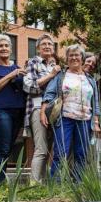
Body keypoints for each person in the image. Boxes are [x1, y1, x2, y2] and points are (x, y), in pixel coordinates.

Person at [41, 44, 101, 177]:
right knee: (61, 152)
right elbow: (49, 94)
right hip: (65, 118)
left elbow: (95, 101)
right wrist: (43, 111)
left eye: (77, 55)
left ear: (82, 58)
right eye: (71, 55)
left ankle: (78, 184)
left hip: (85, 120)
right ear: (67, 58)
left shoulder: (90, 79)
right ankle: (55, 185)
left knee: (82, 154)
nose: (74, 58)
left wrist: (96, 120)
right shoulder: (61, 76)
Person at [0, 34, 27, 183]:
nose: (4, 48)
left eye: (6, 46)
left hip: (18, 112)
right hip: (0, 111)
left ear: (11, 49)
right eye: (0, 46)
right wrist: (10, 75)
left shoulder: (18, 69)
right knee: (3, 148)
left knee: (7, 149)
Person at [23, 33, 61, 183]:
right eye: (44, 44)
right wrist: (51, 75)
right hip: (38, 108)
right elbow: (29, 86)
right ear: (38, 48)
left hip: (55, 112)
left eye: (50, 44)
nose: (47, 46)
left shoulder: (55, 66)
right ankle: (33, 185)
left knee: (49, 150)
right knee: (41, 149)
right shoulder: (33, 63)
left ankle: (43, 186)